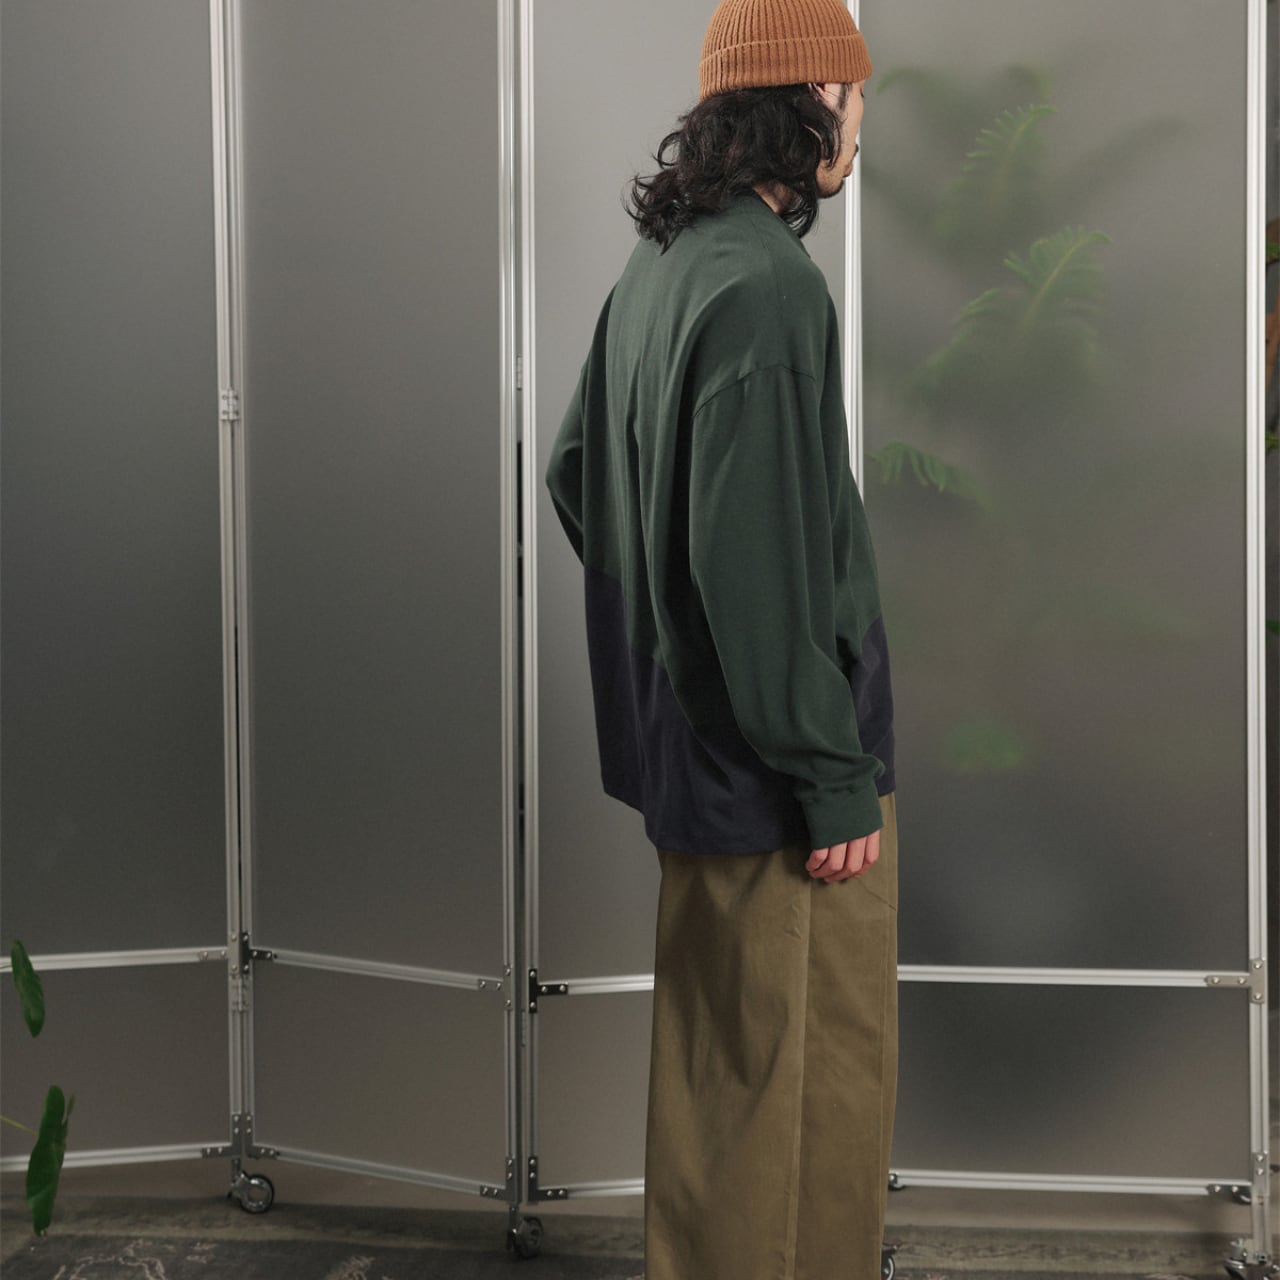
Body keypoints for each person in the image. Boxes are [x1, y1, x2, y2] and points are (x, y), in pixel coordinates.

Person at [544, 1, 897, 1276]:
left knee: (724, 1069)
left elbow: (575, 470)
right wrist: (828, 770)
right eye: (854, 97)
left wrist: (664, 630)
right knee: (802, 1077)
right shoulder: (765, 289)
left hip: (699, 748)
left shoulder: (664, 262)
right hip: (779, 767)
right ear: (808, 99)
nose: (860, 127)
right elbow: (754, 572)